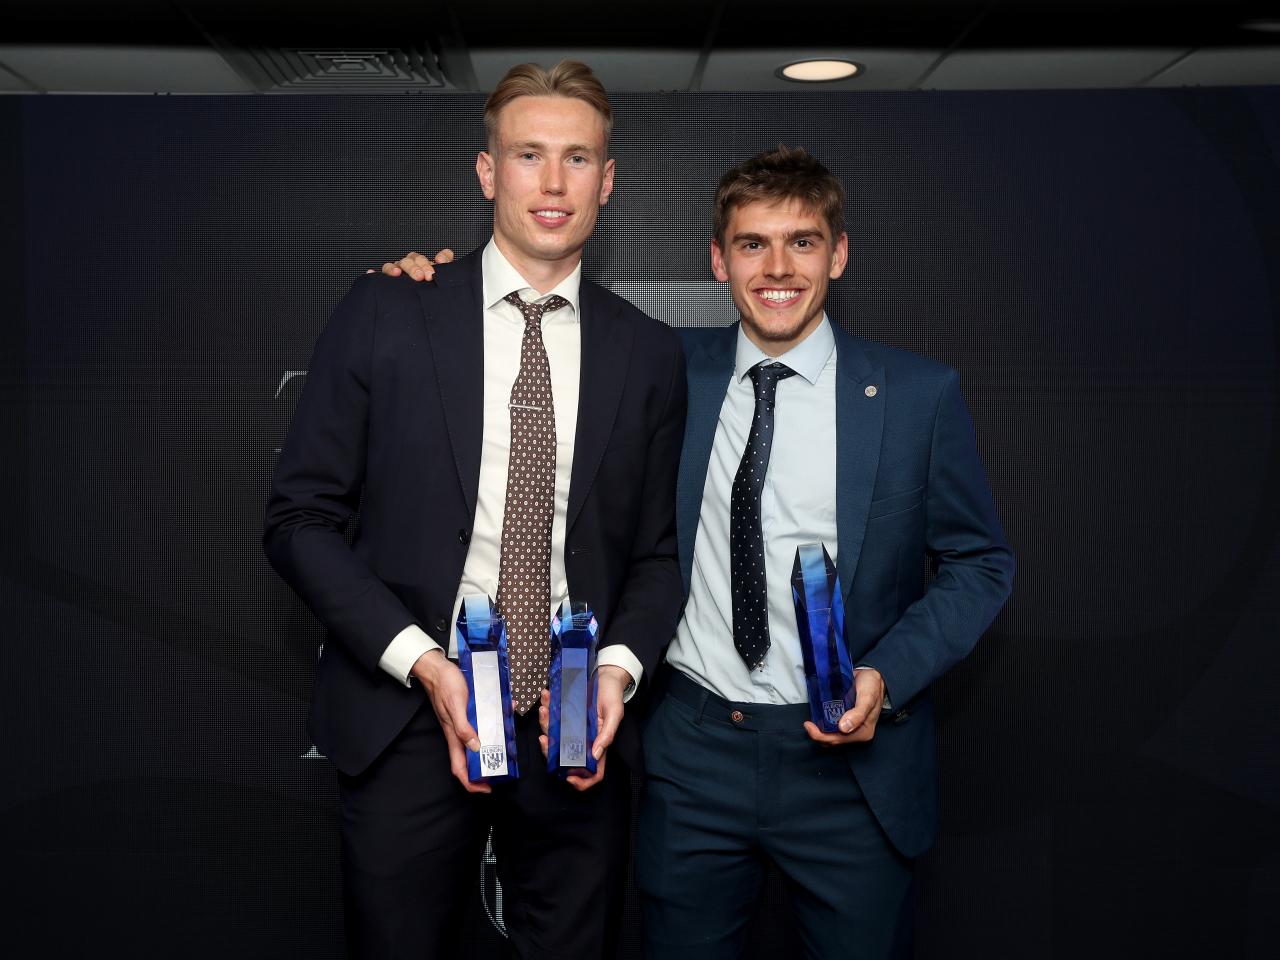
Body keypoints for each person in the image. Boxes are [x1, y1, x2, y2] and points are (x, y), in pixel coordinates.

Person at [387, 145, 1013, 959]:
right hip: (692, 757)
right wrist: (425, 286)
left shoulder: (918, 395)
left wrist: (885, 676)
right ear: (719, 260)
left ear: (840, 252)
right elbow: (512, 326)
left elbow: (980, 565)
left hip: (852, 771)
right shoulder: (662, 364)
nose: (778, 268)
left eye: (803, 241)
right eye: (753, 244)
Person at [264, 61, 687, 960]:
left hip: (577, 726)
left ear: (607, 181)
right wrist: (424, 665)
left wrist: (612, 673)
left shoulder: (648, 353)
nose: (553, 181)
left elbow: (654, 556)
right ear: (488, 171)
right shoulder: (387, 310)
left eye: (578, 158)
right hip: (412, 713)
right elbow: (300, 520)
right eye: (528, 154)